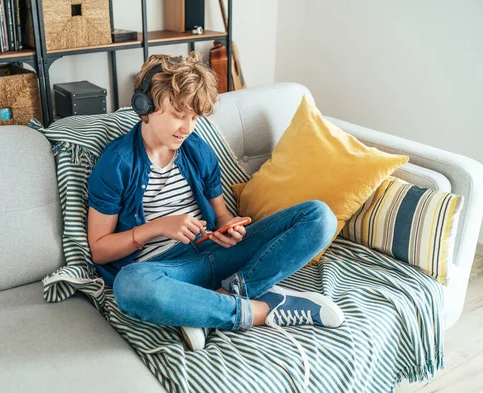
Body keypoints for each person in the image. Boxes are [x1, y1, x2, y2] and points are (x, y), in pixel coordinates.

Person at [87, 52, 345, 352]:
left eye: (194, 118)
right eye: (178, 114)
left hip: (218, 255)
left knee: (319, 216)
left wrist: (228, 227)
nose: (186, 128)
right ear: (145, 105)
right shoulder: (117, 163)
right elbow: (100, 250)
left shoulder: (198, 150)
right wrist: (158, 228)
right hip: (167, 272)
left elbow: (221, 215)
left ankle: (219, 300)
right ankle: (259, 310)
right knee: (130, 286)